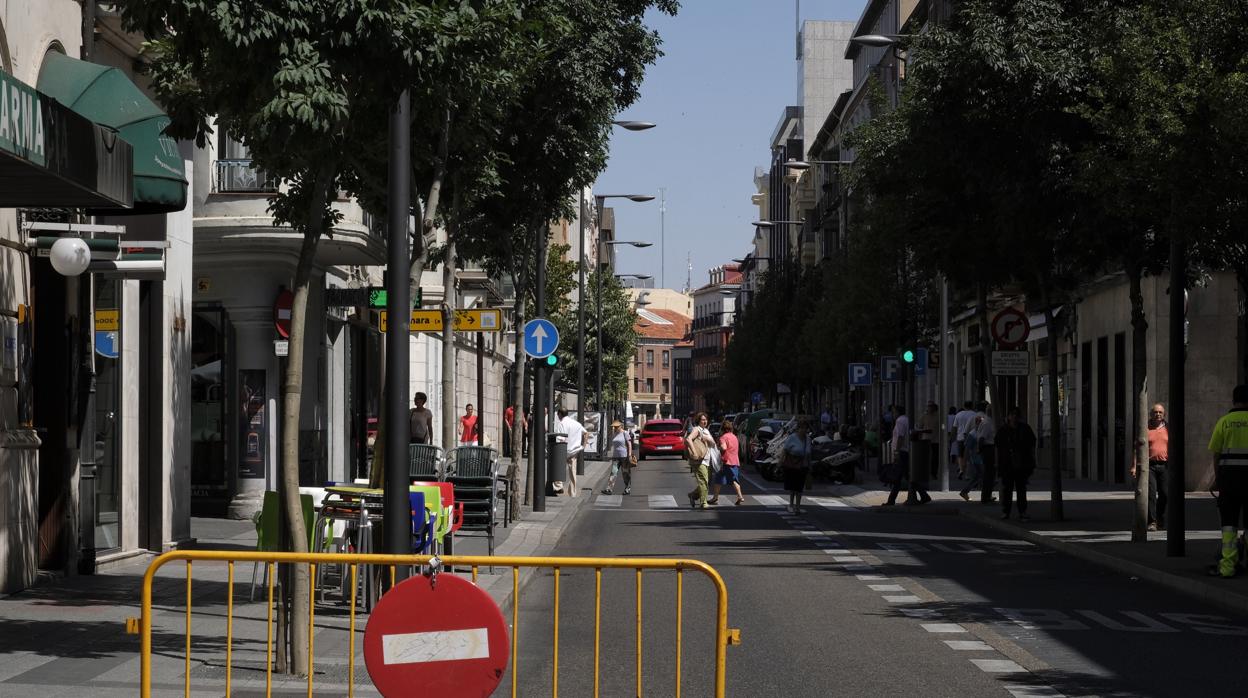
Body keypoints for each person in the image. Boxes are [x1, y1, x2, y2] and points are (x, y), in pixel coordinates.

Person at [1209, 385, 1248, 578]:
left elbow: (1216, 455)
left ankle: (1227, 567)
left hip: (1229, 482)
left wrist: (1217, 480)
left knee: (1229, 526)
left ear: (1233, 400)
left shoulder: (1224, 423)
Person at [1131, 403, 1169, 531]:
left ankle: (1160, 518)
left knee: (1165, 494)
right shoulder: (1145, 429)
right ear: (1151, 414)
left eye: (1160, 412)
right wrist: (1134, 466)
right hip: (1150, 466)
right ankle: (1152, 522)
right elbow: (1137, 448)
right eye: (1155, 412)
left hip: (1164, 466)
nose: (1158, 414)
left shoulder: (1168, 428)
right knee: (1151, 495)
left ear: (1164, 415)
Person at [997, 406, 1036, 521]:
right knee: (1007, 489)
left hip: (1022, 464)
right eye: (1012, 414)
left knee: (1021, 489)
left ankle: (1022, 511)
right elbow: (998, 447)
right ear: (1008, 417)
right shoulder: (1003, 430)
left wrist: (1032, 461)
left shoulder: (1025, 429)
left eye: (1016, 414)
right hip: (1007, 464)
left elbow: (1032, 444)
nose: (1014, 417)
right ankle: (1006, 511)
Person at [886, 405, 929, 506]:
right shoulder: (907, 419)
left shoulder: (900, 421)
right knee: (908, 476)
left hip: (902, 452)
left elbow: (900, 436)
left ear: (897, 412)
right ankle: (924, 495)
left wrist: (896, 451)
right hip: (905, 451)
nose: (892, 414)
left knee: (898, 477)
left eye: (893, 412)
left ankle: (891, 500)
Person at [710, 418, 745, 506]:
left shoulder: (723, 437)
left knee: (733, 480)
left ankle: (740, 496)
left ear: (722, 429)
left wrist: (718, 448)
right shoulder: (734, 437)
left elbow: (724, 448)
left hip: (727, 462)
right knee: (718, 479)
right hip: (734, 461)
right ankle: (715, 497)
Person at [781, 419, 813, 514]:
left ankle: (798, 506)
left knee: (800, 487)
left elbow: (809, 454)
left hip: (803, 466)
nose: (803, 430)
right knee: (793, 487)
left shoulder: (808, 439)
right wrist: (781, 461)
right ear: (798, 429)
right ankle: (791, 504)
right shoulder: (792, 438)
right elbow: (785, 450)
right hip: (793, 465)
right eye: (802, 428)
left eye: (805, 428)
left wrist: (810, 466)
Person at [686, 412, 715, 509]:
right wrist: (694, 452)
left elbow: (713, 444)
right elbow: (688, 439)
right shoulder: (697, 429)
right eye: (702, 419)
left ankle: (693, 495)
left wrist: (708, 439)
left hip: (707, 460)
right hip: (699, 460)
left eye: (706, 419)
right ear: (698, 420)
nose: (705, 421)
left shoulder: (706, 430)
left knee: (707, 481)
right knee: (703, 481)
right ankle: (703, 502)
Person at [557, 408, 587, 497]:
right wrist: (583, 446)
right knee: (572, 472)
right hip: (574, 451)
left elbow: (560, 438)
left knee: (558, 467)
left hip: (564, 449)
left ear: (560, 414)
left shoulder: (561, 423)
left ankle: (558, 486)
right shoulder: (576, 424)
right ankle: (572, 492)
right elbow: (586, 433)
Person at [602, 420, 634, 495]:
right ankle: (609, 489)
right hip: (616, 456)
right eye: (614, 427)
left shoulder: (625, 433)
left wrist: (629, 455)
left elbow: (629, 444)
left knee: (625, 473)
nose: (615, 428)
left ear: (621, 426)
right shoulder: (614, 434)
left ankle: (627, 488)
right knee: (613, 472)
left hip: (624, 456)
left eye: (617, 426)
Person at [959, 416, 985, 501]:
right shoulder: (973, 433)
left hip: (981, 459)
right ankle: (986, 495)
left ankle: (965, 492)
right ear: (976, 423)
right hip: (976, 459)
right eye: (980, 422)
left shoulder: (981, 432)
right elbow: (967, 449)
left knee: (979, 477)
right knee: (982, 476)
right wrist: (964, 462)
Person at [976, 402, 998, 503]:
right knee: (989, 474)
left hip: (989, 448)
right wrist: (980, 450)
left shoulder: (988, 422)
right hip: (988, 449)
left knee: (990, 474)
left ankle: (987, 495)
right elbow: (981, 438)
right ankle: (985, 497)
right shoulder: (987, 423)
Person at [916, 401, 940, 481]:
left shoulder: (939, 416)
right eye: (928, 406)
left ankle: (934, 473)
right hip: (925, 439)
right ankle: (925, 472)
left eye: (931, 406)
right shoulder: (924, 416)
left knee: (935, 458)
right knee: (925, 457)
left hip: (936, 440)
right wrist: (923, 432)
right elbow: (919, 427)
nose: (929, 408)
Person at [953, 400, 978, 477]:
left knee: (960, 455)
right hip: (971, 437)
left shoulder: (958, 414)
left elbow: (954, 427)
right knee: (970, 455)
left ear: (964, 406)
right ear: (972, 406)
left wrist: (952, 437)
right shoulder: (975, 414)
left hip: (960, 437)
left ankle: (961, 470)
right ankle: (967, 474)